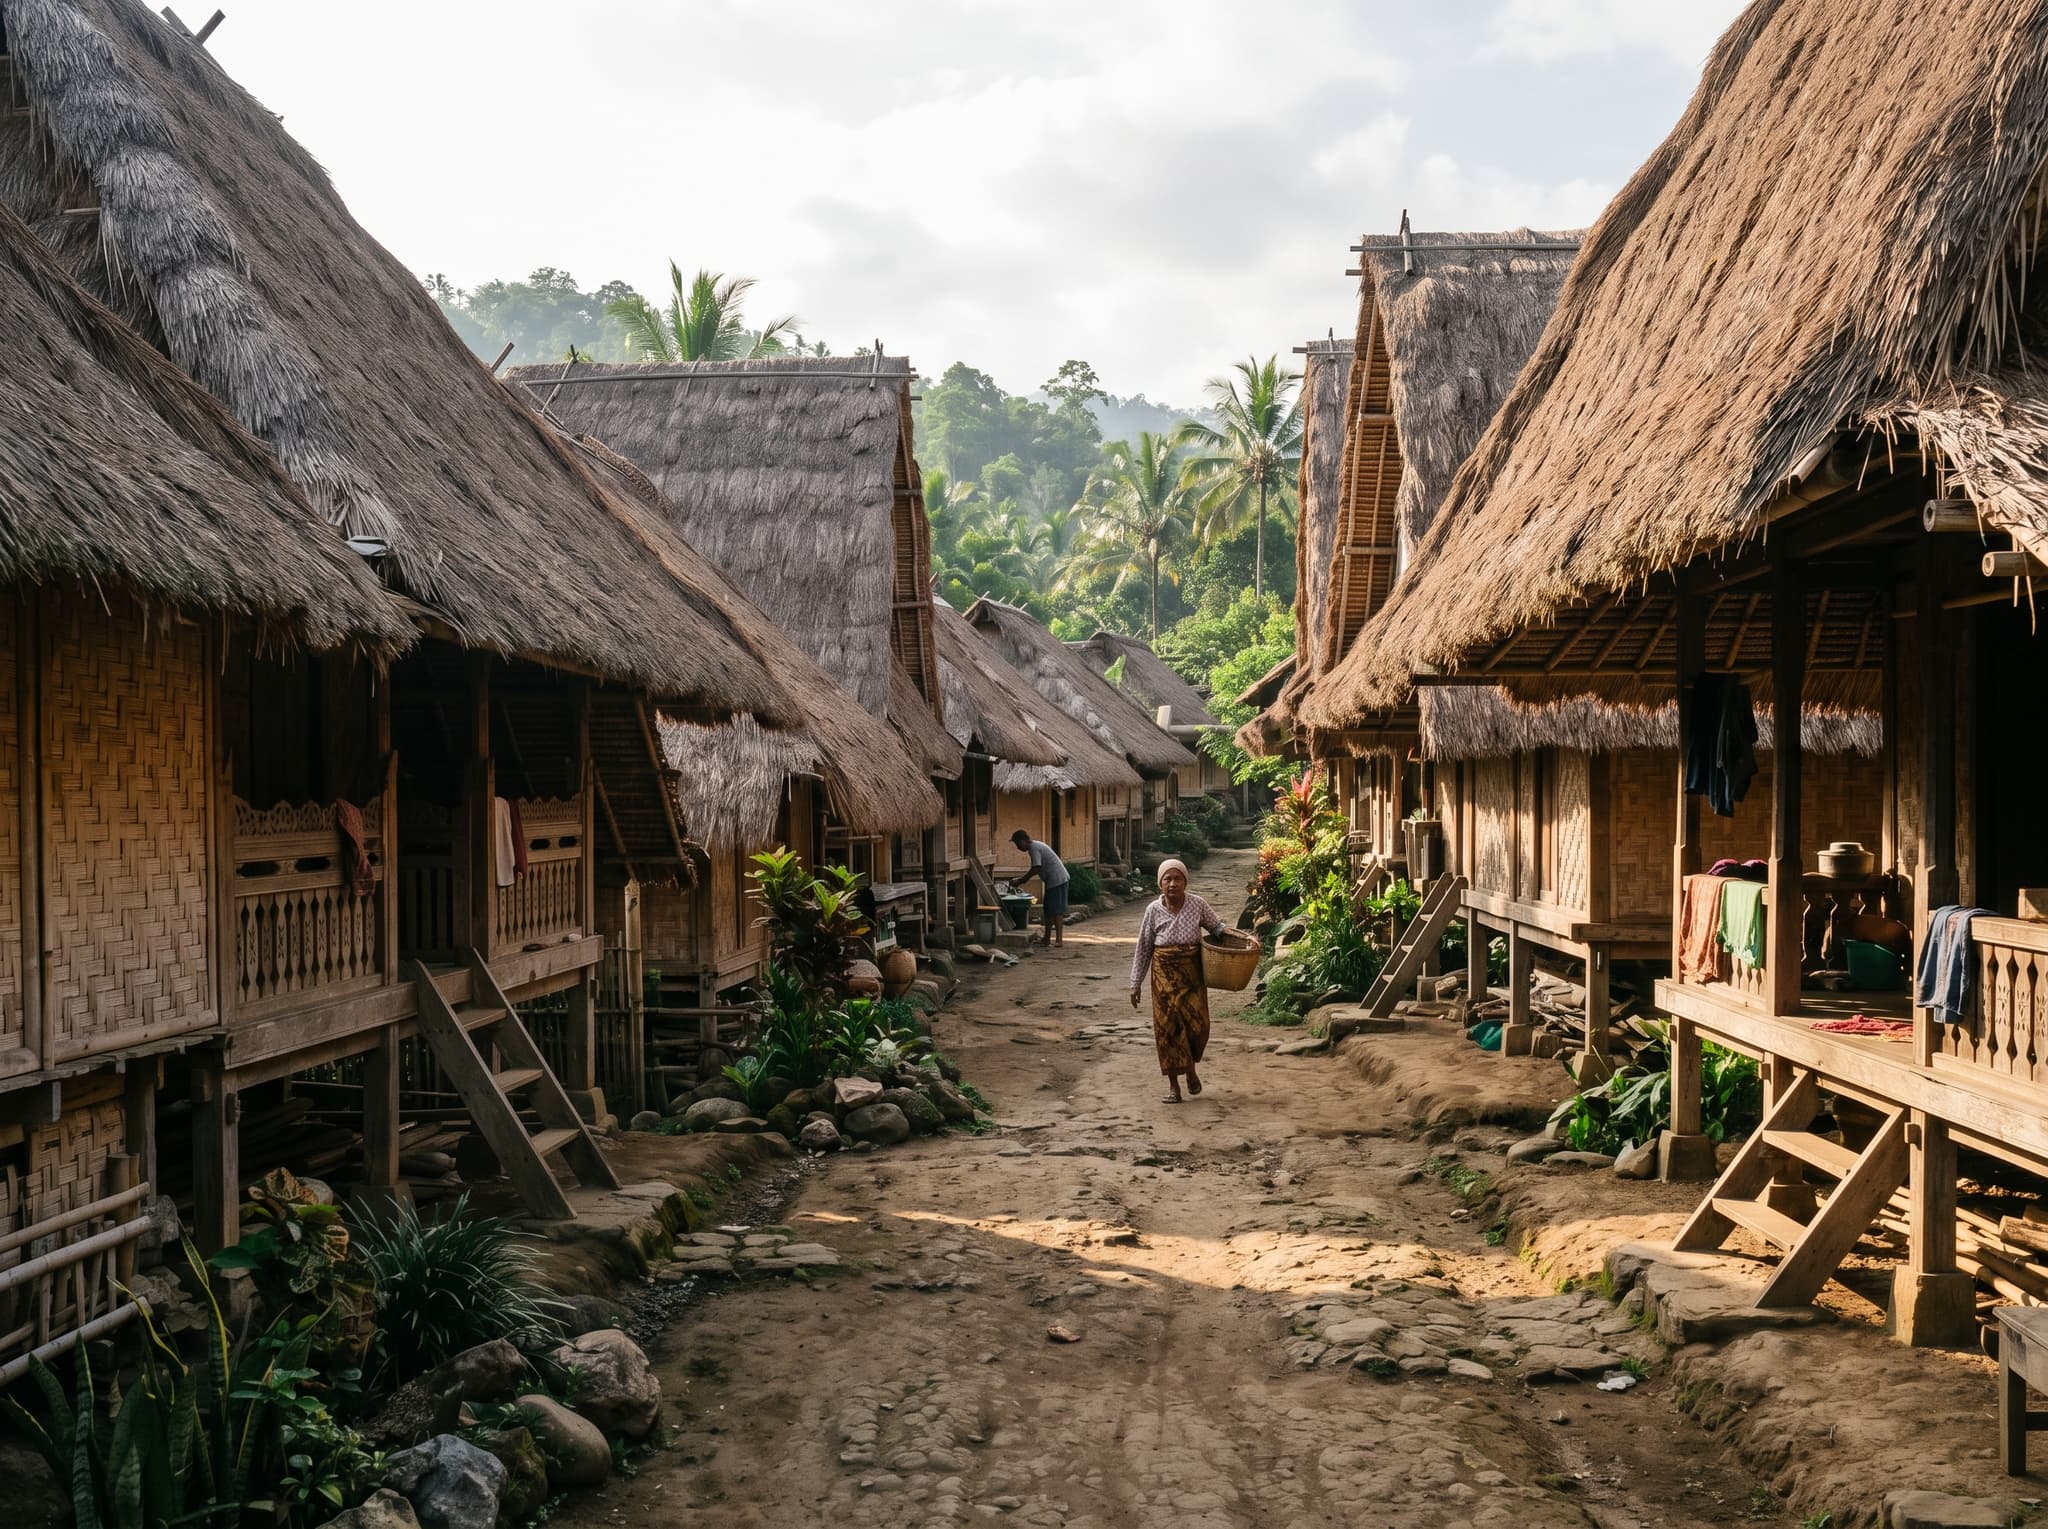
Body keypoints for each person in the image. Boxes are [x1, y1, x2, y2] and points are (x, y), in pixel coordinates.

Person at [1130, 858, 1222, 1104]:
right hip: (1163, 977)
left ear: (1185, 882)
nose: (1172, 884)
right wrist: (1135, 982)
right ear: (1160, 884)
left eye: (1177, 878)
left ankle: (1190, 1069)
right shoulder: (1153, 910)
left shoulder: (1197, 904)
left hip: (1192, 975)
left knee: (1198, 1026)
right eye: (1167, 879)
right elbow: (1143, 948)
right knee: (1168, 1031)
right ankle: (1174, 1087)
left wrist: (1239, 938)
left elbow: (1217, 927)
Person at [1009, 830, 1070, 947]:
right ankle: (1047, 939)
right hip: (1054, 880)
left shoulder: (1033, 848)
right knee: (1049, 911)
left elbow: (1036, 868)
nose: (1017, 847)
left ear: (1022, 841)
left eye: (1017, 844)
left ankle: (1059, 940)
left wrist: (1022, 880)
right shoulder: (1036, 846)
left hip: (1057, 879)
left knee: (1056, 911)